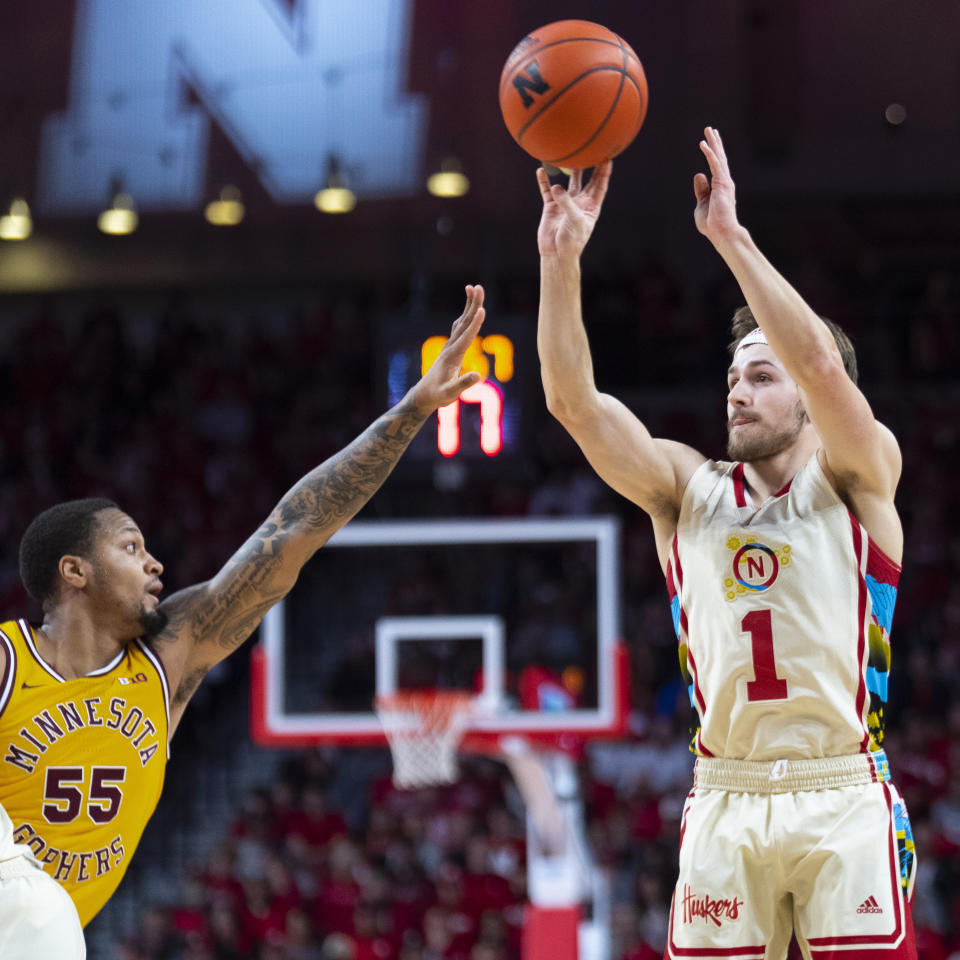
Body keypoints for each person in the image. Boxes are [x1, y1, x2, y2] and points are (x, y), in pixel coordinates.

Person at [0, 285, 487, 958]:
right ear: (74, 571)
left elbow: (292, 529)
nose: (156, 565)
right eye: (131, 547)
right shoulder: (8, 662)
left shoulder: (170, 658)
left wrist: (407, 414)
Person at [535, 128, 916, 959]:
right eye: (734, 376)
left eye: (760, 375)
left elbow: (818, 361)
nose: (737, 392)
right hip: (724, 794)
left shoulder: (861, 476)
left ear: (812, 401)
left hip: (842, 791)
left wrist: (731, 240)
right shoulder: (685, 488)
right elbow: (575, 404)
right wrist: (560, 261)